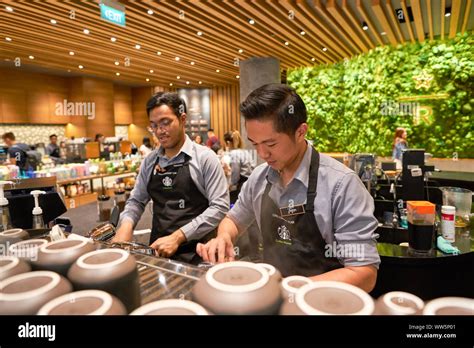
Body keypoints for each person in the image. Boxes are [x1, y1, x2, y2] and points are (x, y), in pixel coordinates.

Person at [197, 84, 380, 292]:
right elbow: (233, 220)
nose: (262, 154)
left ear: (301, 132)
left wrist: (289, 288)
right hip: (272, 298)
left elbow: (363, 273)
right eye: (255, 144)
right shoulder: (259, 178)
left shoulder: (341, 184)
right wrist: (224, 238)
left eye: (271, 144)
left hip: (323, 304)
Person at [113, 92, 229, 264]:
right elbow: (136, 201)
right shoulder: (150, 162)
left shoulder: (204, 158)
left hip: (199, 253)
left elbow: (220, 207)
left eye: (165, 123)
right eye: (154, 125)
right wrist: (125, 227)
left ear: (183, 119)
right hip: (158, 250)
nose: (160, 131)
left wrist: (178, 237)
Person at [223, 130, 255, 204]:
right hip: (251, 183)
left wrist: (230, 185)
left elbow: (235, 173)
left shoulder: (234, 153)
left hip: (242, 185)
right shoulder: (245, 152)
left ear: (227, 143)